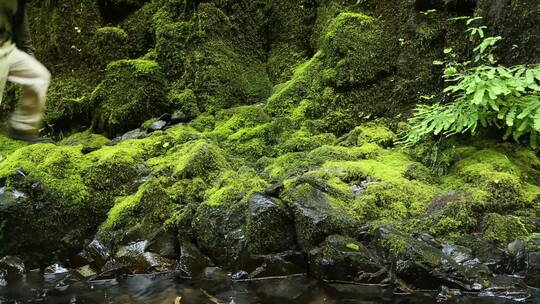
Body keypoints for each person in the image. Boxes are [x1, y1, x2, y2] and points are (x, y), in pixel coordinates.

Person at [0, 0, 51, 142]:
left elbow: (23, 34)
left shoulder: (18, 3)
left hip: (8, 49)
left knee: (39, 77)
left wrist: (30, 58)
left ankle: (21, 128)